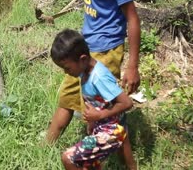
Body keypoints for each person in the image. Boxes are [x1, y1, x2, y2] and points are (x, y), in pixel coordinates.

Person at [45, 0, 141, 169]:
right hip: (85, 50)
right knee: (68, 97)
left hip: (106, 51)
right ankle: (45, 150)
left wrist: (132, 65)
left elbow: (132, 17)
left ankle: (120, 164)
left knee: (111, 115)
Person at [50, 29, 134, 170]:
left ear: (82, 59)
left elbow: (127, 103)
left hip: (112, 130)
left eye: (67, 68)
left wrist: (100, 115)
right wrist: (92, 121)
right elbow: (98, 101)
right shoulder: (85, 72)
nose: (66, 72)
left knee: (68, 158)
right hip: (101, 127)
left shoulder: (99, 77)